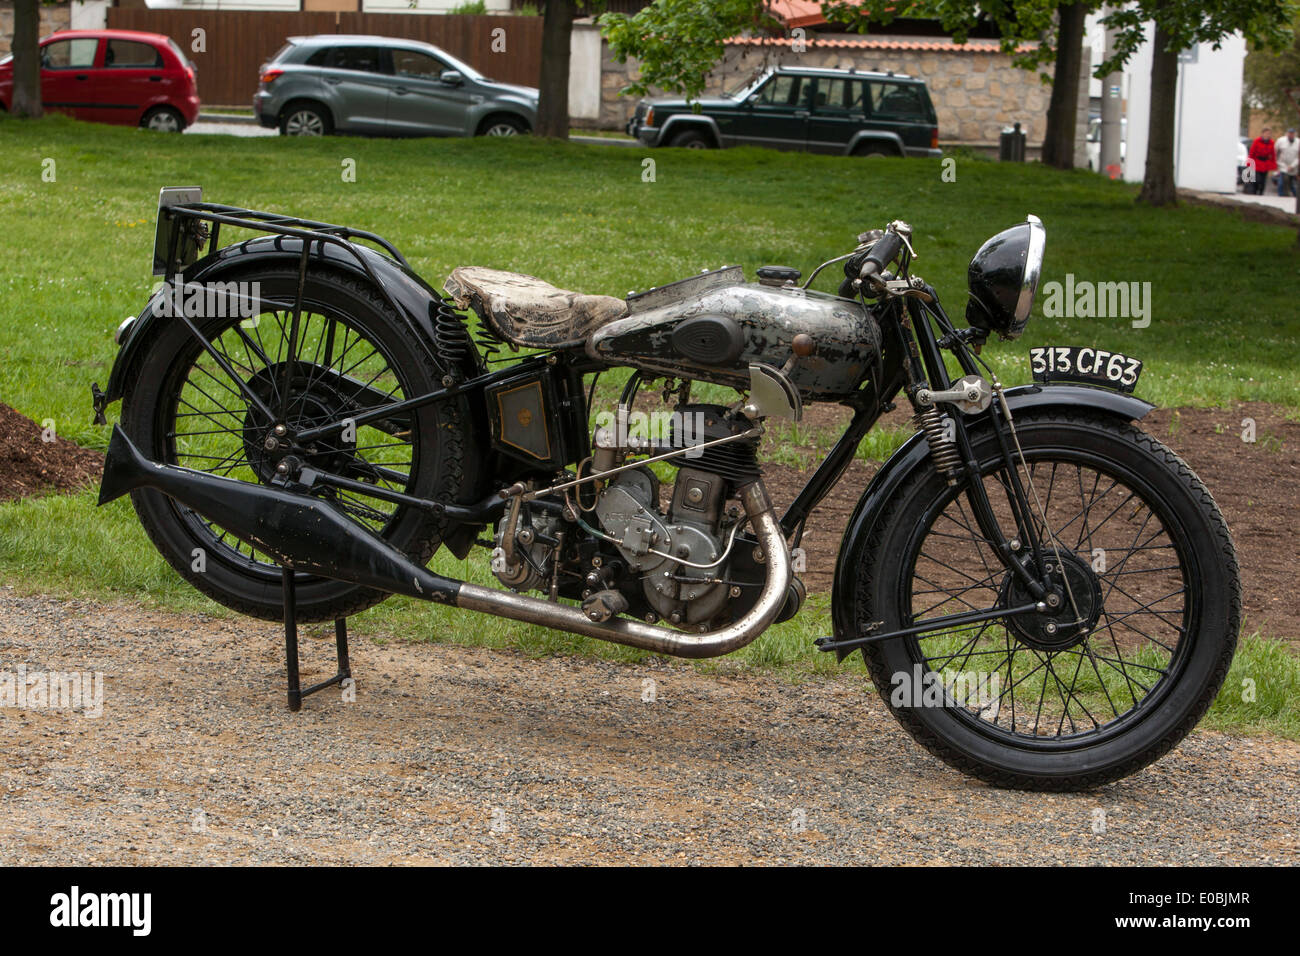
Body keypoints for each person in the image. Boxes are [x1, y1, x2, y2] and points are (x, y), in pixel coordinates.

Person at [1247, 128, 1277, 195]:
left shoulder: (1271, 142)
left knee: (1263, 180)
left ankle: (1261, 192)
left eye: (1269, 134)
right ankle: (1254, 191)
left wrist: (1273, 164)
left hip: (1265, 163)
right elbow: (1252, 153)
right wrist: (1249, 163)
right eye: (1266, 133)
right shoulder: (1257, 141)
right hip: (1257, 162)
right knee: (1257, 179)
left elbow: (1273, 154)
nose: (1267, 135)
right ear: (1262, 134)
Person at [1276, 128, 1299, 199]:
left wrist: (1292, 165)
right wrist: (1280, 164)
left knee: (1292, 183)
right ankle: (1281, 196)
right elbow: (1276, 153)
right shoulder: (1280, 141)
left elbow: (1298, 156)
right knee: (1282, 182)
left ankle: (1295, 197)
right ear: (1287, 134)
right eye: (1289, 133)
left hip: (1294, 166)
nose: (1291, 135)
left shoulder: (1298, 142)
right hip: (1283, 165)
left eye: (1292, 133)